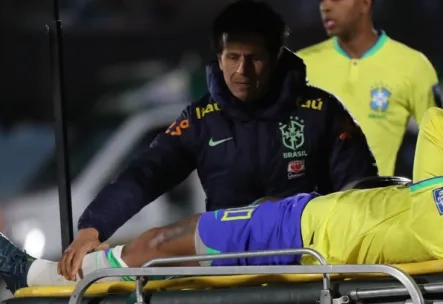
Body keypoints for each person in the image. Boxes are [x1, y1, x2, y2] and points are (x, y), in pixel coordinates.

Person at [0, 107, 443, 294]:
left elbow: (433, 123)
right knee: (170, 247)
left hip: (295, 236)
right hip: (300, 221)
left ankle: (42, 278)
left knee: (160, 244)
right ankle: (55, 274)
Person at [61, 0, 379, 283]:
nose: (242, 70)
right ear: (219, 56)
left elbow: (361, 193)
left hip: (307, 271)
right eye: (233, 57)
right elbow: (146, 172)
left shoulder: (321, 112)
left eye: (254, 58)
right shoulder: (202, 118)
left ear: (276, 57)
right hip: (225, 275)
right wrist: (92, 228)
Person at [297, 0, 443, 177]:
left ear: (365, 4)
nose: (325, 7)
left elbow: (439, 141)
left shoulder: (413, 66)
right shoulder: (300, 64)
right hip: (311, 201)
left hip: (375, 200)